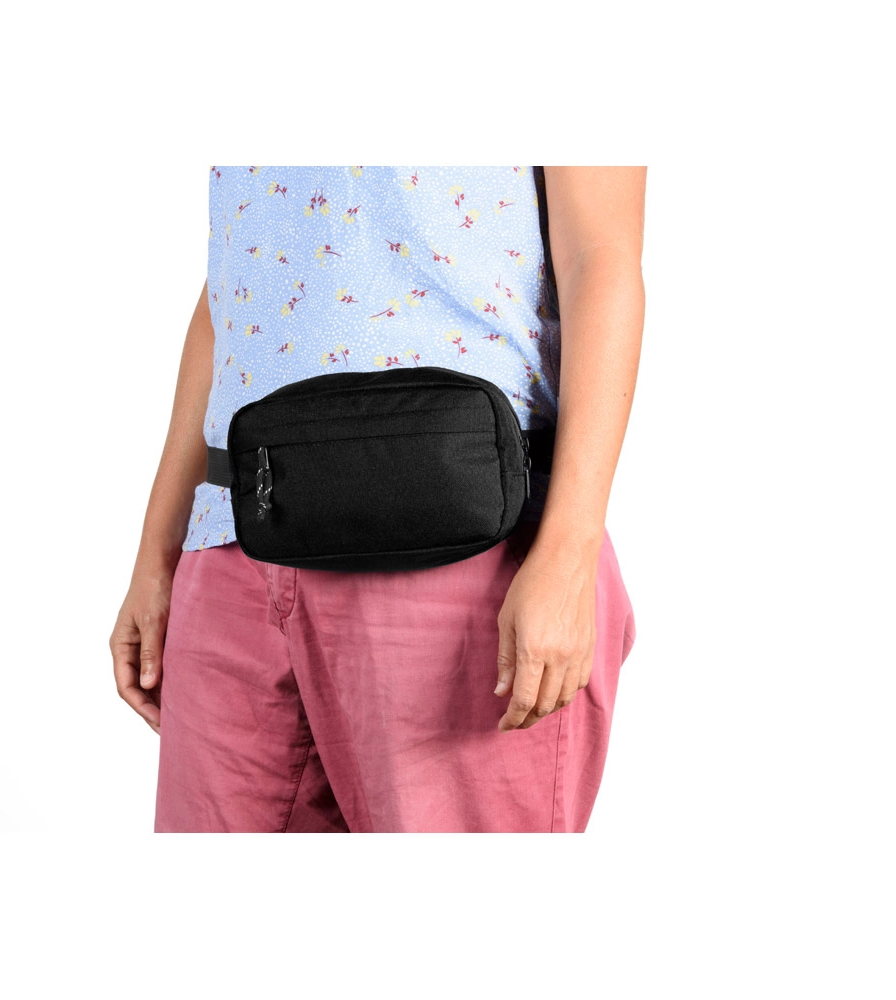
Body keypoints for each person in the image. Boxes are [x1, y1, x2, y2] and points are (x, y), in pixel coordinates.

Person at [109, 165, 645, 833]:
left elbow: (601, 257)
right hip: (235, 543)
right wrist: (158, 553)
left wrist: (568, 553)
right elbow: (226, 295)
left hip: (460, 542)